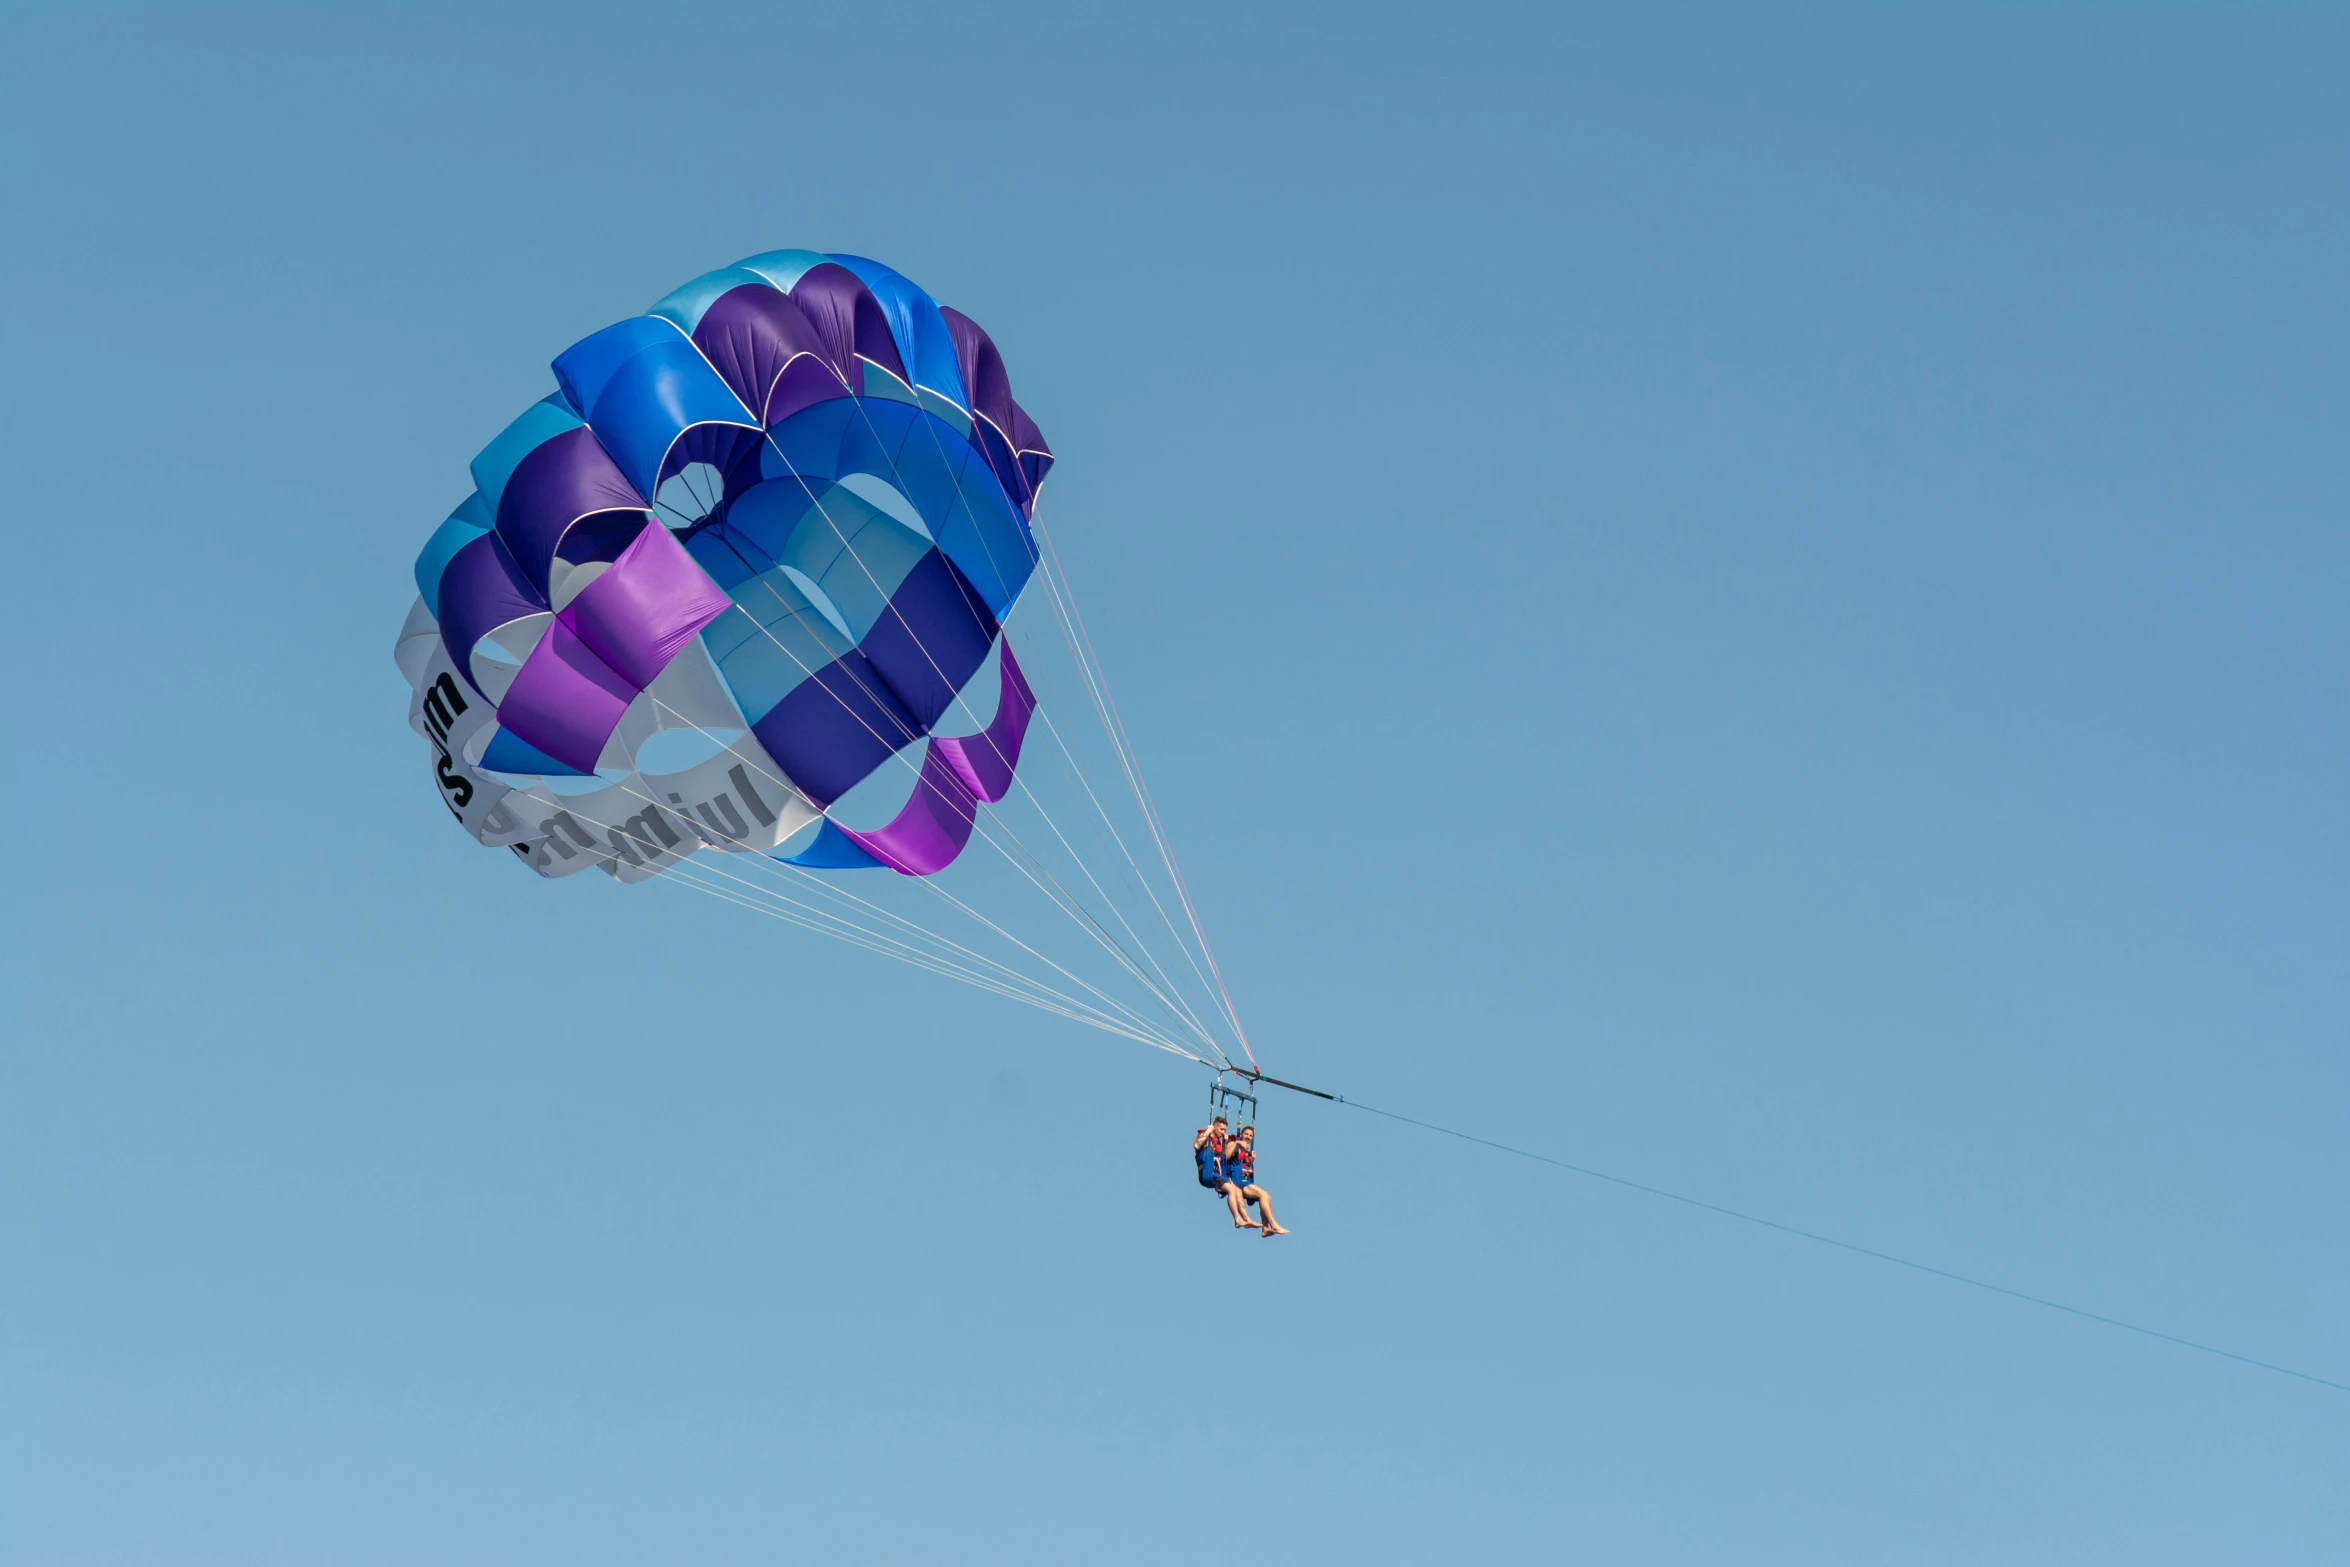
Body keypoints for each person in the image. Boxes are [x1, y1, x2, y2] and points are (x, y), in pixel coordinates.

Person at [1226, 1124, 1289, 1236]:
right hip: (1238, 1182)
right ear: (1241, 1134)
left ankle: (1265, 1229)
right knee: (1263, 1194)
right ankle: (1274, 1225)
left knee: (1266, 1197)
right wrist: (1237, 1143)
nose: (1248, 1137)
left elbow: (1244, 1167)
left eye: (1250, 1135)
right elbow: (1225, 1157)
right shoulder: (1234, 1144)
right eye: (1246, 1134)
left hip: (1246, 1181)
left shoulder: (1247, 1150)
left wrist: (1251, 1159)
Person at [1193, 1115, 1255, 1229]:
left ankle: (1247, 1219)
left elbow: (1224, 1159)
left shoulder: (1221, 1142)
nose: (1223, 1132)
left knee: (1237, 1190)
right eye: (1221, 1129)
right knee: (1232, 1190)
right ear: (1214, 1127)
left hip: (1217, 1175)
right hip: (1206, 1174)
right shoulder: (1206, 1137)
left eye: (1225, 1130)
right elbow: (1196, 1145)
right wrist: (1208, 1131)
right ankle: (1237, 1219)